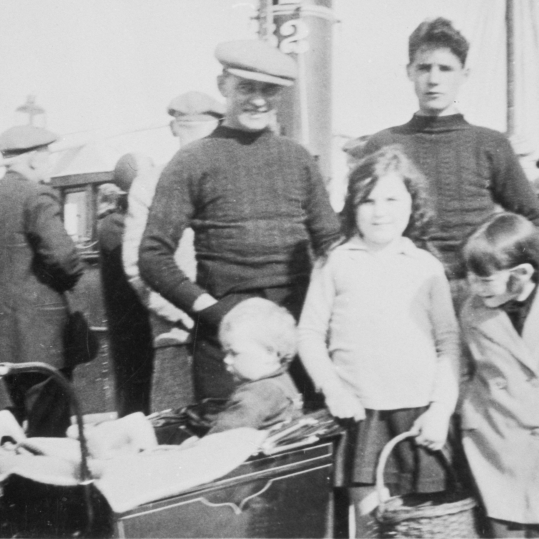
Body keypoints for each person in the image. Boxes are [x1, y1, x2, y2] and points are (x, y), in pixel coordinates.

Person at [138, 39, 341, 404]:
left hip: (295, 329)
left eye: (269, 90)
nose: (258, 99)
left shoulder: (298, 159)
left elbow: (331, 243)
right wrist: (212, 313)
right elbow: (153, 255)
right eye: (246, 87)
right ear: (223, 85)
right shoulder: (191, 161)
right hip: (223, 337)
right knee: (228, 444)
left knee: (302, 448)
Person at [298, 145, 460, 537]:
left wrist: (440, 409)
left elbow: (449, 343)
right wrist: (333, 389)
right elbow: (309, 333)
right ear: (353, 206)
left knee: (423, 524)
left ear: (412, 204)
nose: (380, 211)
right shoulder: (336, 262)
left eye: (392, 198)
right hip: (360, 414)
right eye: (368, 200)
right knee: (370, 523)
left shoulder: (426, 267)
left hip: (418, 416)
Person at [363, 17, 539, 310]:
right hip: (405, 291)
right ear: (409, 72)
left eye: (445, 69)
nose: (433, 80)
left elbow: (532, 218)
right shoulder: (383, 145)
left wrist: (511, 276)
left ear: (464, 74)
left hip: (478, 292)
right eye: (424, 68)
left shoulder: (491, 144)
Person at [123, 91, 225, 413]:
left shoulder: (148, 182)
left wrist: (185, 311)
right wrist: (197, 313)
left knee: (179, 431)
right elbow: (138, 266)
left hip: (183, 320)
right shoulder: (151, 182)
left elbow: (135, 268)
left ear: (172, 127)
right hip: (198, 325)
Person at [0, 125, 84, 437]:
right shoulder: (36, 196)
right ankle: (46, 487)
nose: (48, 163)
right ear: (34, 159)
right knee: (49, 427)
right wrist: (73, 277)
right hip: (43, 339)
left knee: (13, 428)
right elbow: (63, 258)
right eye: (46, 156)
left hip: (4, 339)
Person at [460, 212, 539, 538]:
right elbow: (464, 366)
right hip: (497, 442)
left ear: (521, 273)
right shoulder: (473, 311)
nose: (475, 287)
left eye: (485, 279)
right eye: (470, 277)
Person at [98, 153, 154, 417]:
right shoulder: (115, 224)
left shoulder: (115, 222)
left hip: (137, 319)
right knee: (133, 393)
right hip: (131, 320)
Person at [208, 298, 303, 434]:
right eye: (226, 353)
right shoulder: (281, 379)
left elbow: (218, 439)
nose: (226, 360)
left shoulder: (256, 394)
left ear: (270, 353)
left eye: (234, 353)